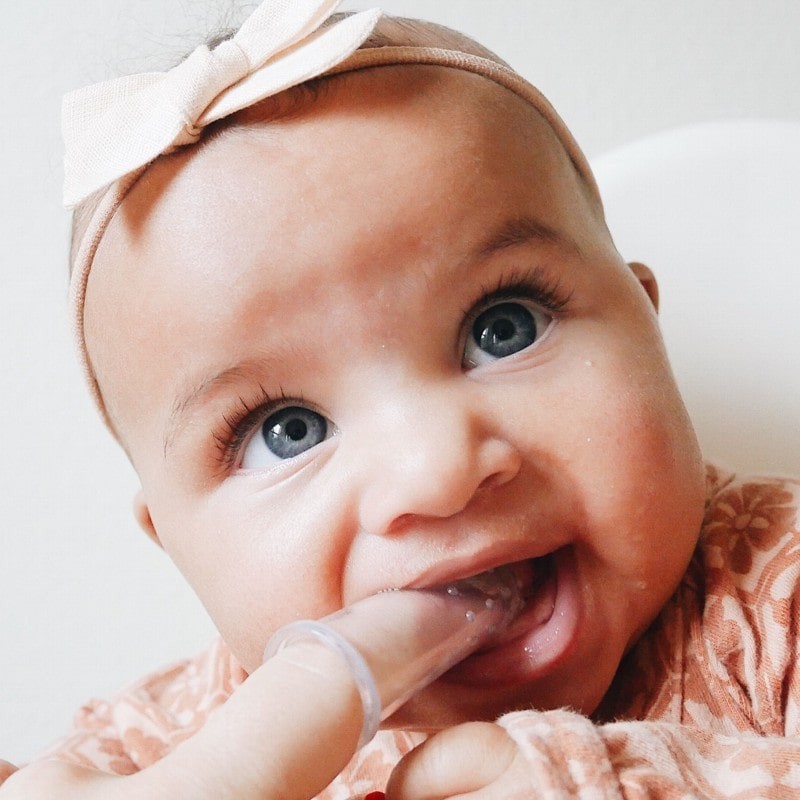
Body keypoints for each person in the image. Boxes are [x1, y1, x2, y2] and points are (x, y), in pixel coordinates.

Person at [3, 1, 800, 797]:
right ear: (175, 543)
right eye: (287, 430)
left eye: (503, 328)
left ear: (649, 329)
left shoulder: (778, 596)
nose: (434, 471)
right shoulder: (166, 741)